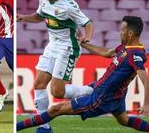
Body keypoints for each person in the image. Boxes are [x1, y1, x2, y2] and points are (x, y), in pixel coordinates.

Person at [17, 16, 149, 132]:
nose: (120, 33)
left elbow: (145, 79)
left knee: (55, 110)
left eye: (122, 30)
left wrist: (147, 104)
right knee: (124, 120)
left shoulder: (135, 54)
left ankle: (16, 128)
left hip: (103, 98)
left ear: (130, 33)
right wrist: (84, 45)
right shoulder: (126, 47)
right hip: (113, 94)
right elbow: (107, 53)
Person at [17, 0, 94, 132]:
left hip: (67, 47)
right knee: (38, 83)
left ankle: (91, 90)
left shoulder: (69, 5)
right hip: (52, 45)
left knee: (57, 92)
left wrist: (87, 37)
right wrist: (23, 17)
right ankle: (44, 126)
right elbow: (39, 16)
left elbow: (87, 23)